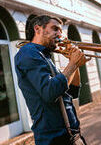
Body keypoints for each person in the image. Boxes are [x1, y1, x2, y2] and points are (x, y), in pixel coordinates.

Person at [15, 15, 89, 145]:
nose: (60, 35)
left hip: (72, 136)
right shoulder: (29, 53)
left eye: (61, 31)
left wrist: (74, 63)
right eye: (55, 29)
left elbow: (73, 91)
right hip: (54, 140)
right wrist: (72, 63)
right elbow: (50, 92)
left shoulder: (45, 56)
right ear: (38, 29)